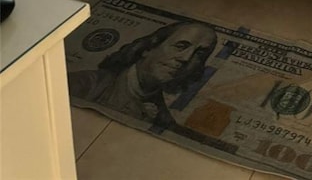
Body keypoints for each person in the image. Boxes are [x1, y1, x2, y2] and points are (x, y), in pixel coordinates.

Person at [69, 21, 218, 128]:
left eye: (199, 55)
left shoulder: (164, 120)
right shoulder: (85, 83)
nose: (186, 58)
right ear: (149, 47)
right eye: (180, 46)